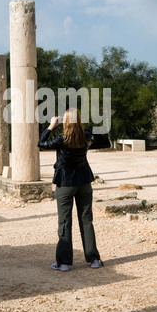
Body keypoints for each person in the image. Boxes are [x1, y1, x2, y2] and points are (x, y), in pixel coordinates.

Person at [37, 108, 103, 272]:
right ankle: (94, 259)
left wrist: (51, 126)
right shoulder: (86, 136)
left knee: (65, 221)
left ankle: (64, 262)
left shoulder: (61, 139)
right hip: (84, 182)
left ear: (65, 122)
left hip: (66, 183)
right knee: (86, 220)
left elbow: (41, 144)